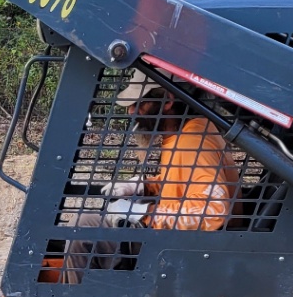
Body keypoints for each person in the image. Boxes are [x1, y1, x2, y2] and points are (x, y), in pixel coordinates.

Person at [102, 70, 238, 230]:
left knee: (84, 226)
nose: (131, 111)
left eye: (140, 103)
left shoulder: (192, 143)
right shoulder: (187, 133)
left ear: (167, 101)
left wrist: (144, 213)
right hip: (171, 238)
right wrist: (145, 186)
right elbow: (184, 181)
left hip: (184, 245)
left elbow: (213, 210)